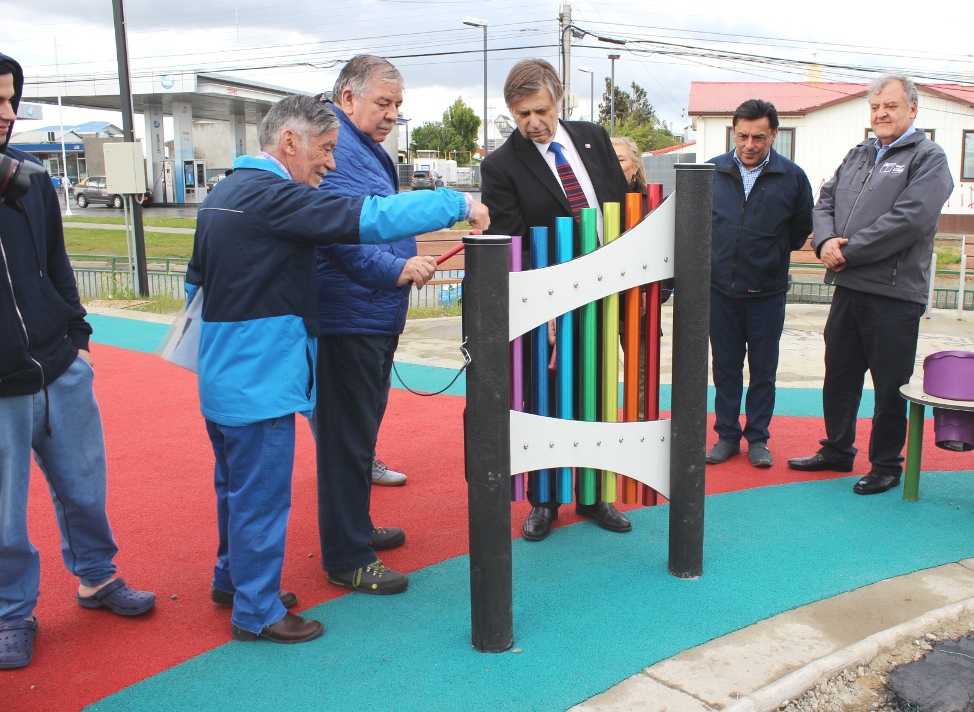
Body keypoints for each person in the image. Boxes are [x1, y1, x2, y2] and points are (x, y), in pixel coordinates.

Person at [186, 94, 488, 644]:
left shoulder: (223, 193)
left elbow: (193, 283)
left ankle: (233, 580)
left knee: (233, 487)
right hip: (264, 377)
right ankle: (257, 612)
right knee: (262, 495)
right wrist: (458, 202)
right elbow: (367, 218)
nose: (330, 164)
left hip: (221, 371)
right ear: (289, 143)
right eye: (324, 151)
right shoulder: (276, 198)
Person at [0, 53, 155, 671]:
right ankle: (12, 613)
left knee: (85, 489)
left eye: (11, 99)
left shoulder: (31, 179)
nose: (7, 114)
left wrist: (78, 339)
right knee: (4, 516)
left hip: (58, 366)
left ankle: (97, 577)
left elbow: (55, 263)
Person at [481, 58, 631, 542]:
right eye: (521, 115)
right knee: (546, 401)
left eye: (541, 110)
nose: (533, 123)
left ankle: (592, 494)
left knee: (598, 394)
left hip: (606, 295)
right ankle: (545, 501)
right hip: (549, 303)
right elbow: (510, 239)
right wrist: (542, 306)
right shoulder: (501, 165)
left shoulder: (593, 138)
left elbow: (619, 209)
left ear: (559, 98)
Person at [788, 74, 953, 495]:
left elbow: (910, 220)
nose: (881, 114)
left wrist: (849, 250)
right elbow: (824, 201)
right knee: (839, 374)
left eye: (891, 106)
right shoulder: (858, 154)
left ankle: (885, 464)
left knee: (889, 384)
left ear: (912, 109)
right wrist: (824, 241)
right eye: (876, 107)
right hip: (849, 286)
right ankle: (838, 449)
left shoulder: (929, 158)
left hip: (894, 292)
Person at [313, 55, 432, 595]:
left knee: (360, 433)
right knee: (347, 437)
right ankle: (347, 555)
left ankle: (354, 529)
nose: (391, 115)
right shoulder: (333, 144)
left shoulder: (359, 146)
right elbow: (342, 232)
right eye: (383, 103)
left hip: (374, 309)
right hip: (351, 315)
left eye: (397, 106)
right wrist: (396, 269)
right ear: (346, 97)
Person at [705, 99, 814, 469]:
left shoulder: (793, 177)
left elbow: (799, 232)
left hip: (766, 294)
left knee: (763, 371)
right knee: (725, 368)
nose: (749, 144)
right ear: (733, 132)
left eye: (759, 137)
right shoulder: (712, 172)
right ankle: (726, 436)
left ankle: (758, 439)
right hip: (720, 292)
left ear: (774, 136)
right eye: (742, 136)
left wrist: (769, 255)